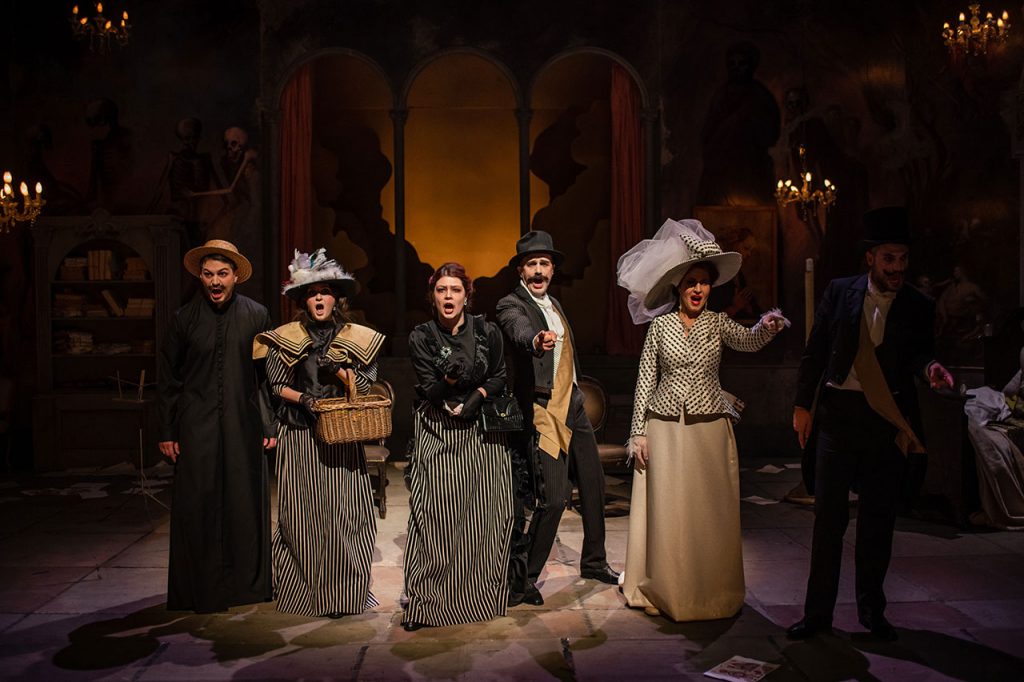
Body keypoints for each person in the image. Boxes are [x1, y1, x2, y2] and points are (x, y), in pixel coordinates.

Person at [788, 207, 954, 642]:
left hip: (884, 422)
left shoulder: (918, 305)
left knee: (878, 523)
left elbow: (920, 354)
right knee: (828, 521)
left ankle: (872, 613)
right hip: (837, 419)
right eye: (889, 259)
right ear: (870, 258)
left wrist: (932, 368)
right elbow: (816, 349)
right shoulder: (839, 291)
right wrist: (802, 405)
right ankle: (817, 615)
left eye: (903, 259)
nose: (897, 268)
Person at [616, 218, 788, 621]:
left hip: (710, 426)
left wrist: (767, 327)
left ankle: (709, 590)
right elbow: (645, 381)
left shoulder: (717, 322)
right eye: (691, 282)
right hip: (665, 427)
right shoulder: (660, 327)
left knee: (708, 511)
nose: (698, 289)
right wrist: (637, 433)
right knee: (670, 510)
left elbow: (748, 340)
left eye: (705, 283)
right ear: (678, 286)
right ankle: (665, 586)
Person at [253, 248, 385, 618]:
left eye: (325, 292)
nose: (319, 299)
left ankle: (347, 593)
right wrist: (305, 399)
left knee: (348, 512)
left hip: (342, 436)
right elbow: (276, 385)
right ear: (303, 301)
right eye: (312, 293)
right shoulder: (287, 337)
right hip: (299, 433)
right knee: (302, 515)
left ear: (336, 298)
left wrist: (338, 370)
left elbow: (366, 384)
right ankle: (304, 593)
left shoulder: (355, 337)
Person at [497, 230, 619, 608]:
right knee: (553, 498)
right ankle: (524, 579)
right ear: (521, 270)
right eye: (531, 264)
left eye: (544, 264)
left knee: (594, 484)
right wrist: (536, 340)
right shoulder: (511, 304)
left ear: (552, 270)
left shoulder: (555, 304)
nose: (538, 271)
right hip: (544, 408)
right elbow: (518, 330)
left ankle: (594, 561)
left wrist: (576, 394)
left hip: (573, 403)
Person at [157, 239, 276, 613]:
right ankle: (200, 588)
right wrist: (167, 431)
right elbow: (169, 379)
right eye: (208, 274)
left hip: (243, 422)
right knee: (199, 503)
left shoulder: (257, 316)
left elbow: (267, 377)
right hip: (197, 425)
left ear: (235, 276)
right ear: (200, 277)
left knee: (243, 501)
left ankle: (246, 586)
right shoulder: (184, 319)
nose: (215, 281)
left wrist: (269, 425)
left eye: (222, 274)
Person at [402, 262, 515, 630]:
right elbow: (429, 390)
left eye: (455, 290)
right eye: (441, 290)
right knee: (435, 517)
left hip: (482, 435)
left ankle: (477, 599)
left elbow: (499, 376)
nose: (448, 296)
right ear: (432, 297)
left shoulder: (487, 332)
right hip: (438, 429)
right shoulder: (422, 337)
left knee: (483, 517)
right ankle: (427, 603)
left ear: (467, 295)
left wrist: (477, 396)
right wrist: (449, 384)